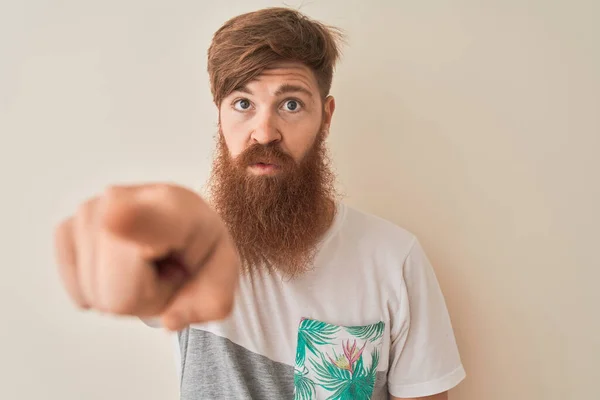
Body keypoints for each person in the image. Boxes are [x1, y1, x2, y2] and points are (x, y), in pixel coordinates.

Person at [54, 7, 466, 400]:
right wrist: (120, 242)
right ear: (219, 116)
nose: (264, 132)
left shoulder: (395, 258)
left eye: (291, 104)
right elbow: (138, 266)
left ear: (326, 116)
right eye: (243, 104)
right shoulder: (192, 248)